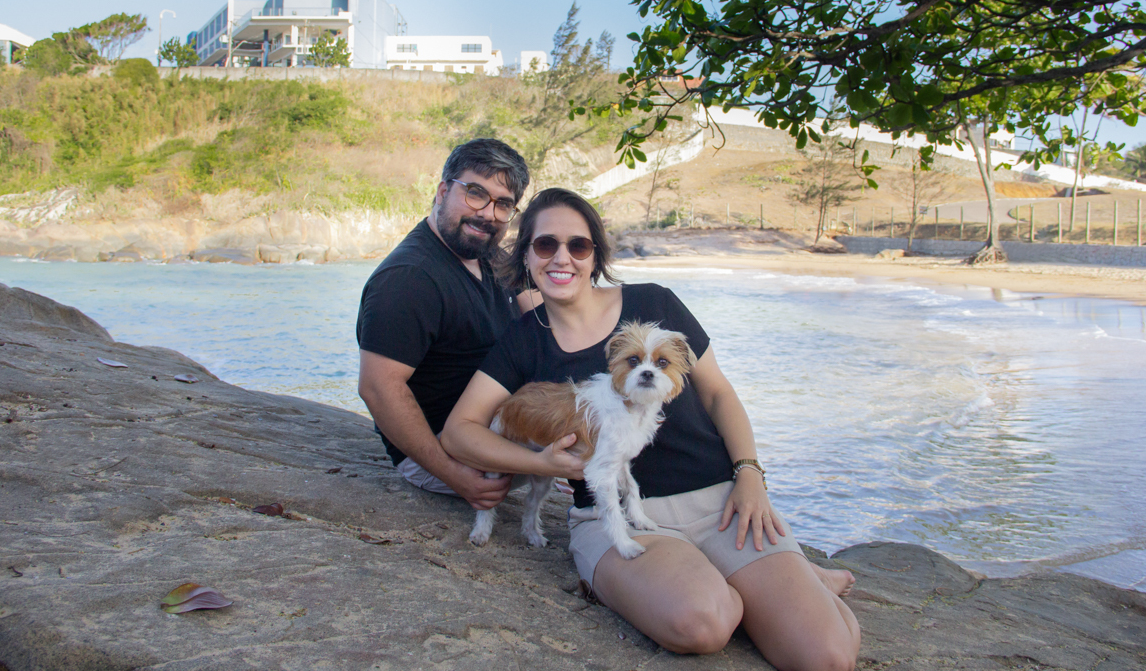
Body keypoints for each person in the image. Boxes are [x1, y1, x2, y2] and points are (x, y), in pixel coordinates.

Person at [441, 188, 860, 671]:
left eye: (578, 245)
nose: (562, 258)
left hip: (719, 503)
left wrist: (749, 473)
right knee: (702, 624)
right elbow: (459, 431)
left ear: (595, 255)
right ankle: (748, 581)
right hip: (614, 516)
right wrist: (540, 462)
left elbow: (718, 394)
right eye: (545, 244)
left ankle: (779, 580)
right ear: (526, 255)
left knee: (826, 658)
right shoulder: (522, 338)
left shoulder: (655, 304)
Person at [355, 138, 532, 511]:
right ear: (442, 191)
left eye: (503, 204)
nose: (487, 213)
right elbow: (378, 388)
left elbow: (543, 322)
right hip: (445, 451)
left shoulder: (487, 255)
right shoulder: (409, 279)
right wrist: (453, 475)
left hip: (498, 428)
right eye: (475, 193)